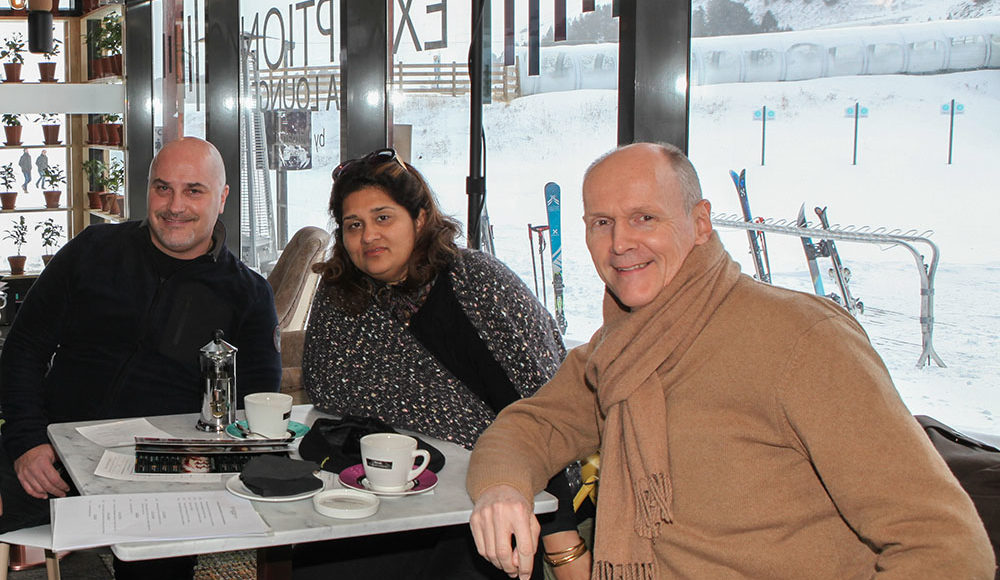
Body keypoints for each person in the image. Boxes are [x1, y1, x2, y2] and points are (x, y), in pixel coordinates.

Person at [466, 142, 995, 579]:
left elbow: (944, 546)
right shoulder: (620, 347)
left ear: (700, 223)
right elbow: (531, 427)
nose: (620, 242)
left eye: (644, 217)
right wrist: (502, 489)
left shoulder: (803, 340)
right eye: (601, 222)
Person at [297, 148, 590, 579]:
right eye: (353, 225)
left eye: (383, 218)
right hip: (384, 487)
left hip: (490, 491)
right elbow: (326, 389)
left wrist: (560, 537)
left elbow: (543, 405)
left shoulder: (477, 282)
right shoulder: (340, 297)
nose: (368, 236)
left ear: (419, 219)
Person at [0, 137, 283, 579]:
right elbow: (24, 347)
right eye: (162, 188)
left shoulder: (247, 294)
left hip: (162, 478)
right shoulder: (93, 249)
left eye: (194, 190)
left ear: (222, 197)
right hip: (53, 454)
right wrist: (26, 441)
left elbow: (257, 405)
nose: (175, 206)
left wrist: (201, 470)